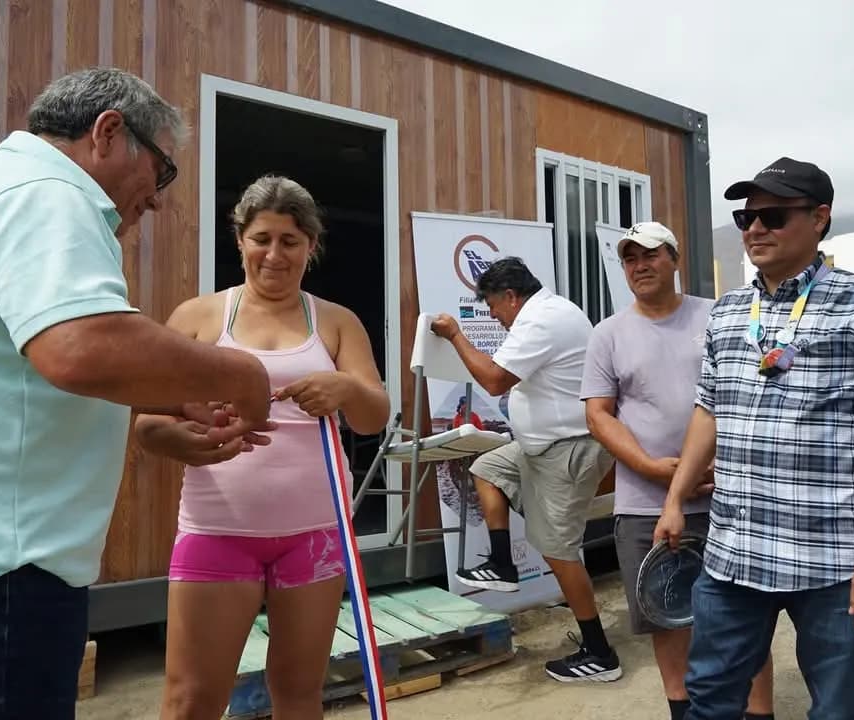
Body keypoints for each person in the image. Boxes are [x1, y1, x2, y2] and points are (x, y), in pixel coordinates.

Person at [0, 67, 275, 720]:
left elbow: (3, 372)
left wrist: (153, 395)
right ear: (108, 132)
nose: (159, 200)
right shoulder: (46, 193)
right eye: (162, 172)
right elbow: (79, 346)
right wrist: (241, 375)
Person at [654, 157, 854, 719]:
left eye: (773, 215)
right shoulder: (732, 311)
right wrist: (675, 499)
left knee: (841, 710)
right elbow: (710, 408)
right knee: (709, 698)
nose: (754, 229)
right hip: (734, 552)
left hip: (831, 559)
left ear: (819, 219)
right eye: (746, 216)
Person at [134, 175, 390, 720]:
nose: (274, 254)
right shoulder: (199, 317)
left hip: (317, 533)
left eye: (290, 241)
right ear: (241, 241)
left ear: (310, 247)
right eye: (262, 238)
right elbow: (147, 424)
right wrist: (175, 438)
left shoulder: (337, 322)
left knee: (299, 695)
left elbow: (373, 417)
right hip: (218, 531)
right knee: (190, 701)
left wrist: (345, 389)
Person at [581, 222, 775, 720]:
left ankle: (759, 713)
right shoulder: (608, 334)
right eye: (629, 259)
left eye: (649, 255)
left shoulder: (718, 317)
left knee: (743, 617)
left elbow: (763, 380)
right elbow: (599, 413)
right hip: (645, 502)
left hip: (727, 494)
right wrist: (651, 466)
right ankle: (683, 712)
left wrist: (722, 458)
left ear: (674, 258)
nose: (640, 266)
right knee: (665, 617)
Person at [430, 258, 620, 683]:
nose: (493, 316)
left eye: (493, 306)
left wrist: (457, 335)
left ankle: (600, 652)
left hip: (568, 448)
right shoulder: (545, 313)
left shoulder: (542, 320)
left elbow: (496, 380)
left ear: (511, 296)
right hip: (540, 445)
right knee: (488, 467)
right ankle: (502, 563)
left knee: (557, 549)